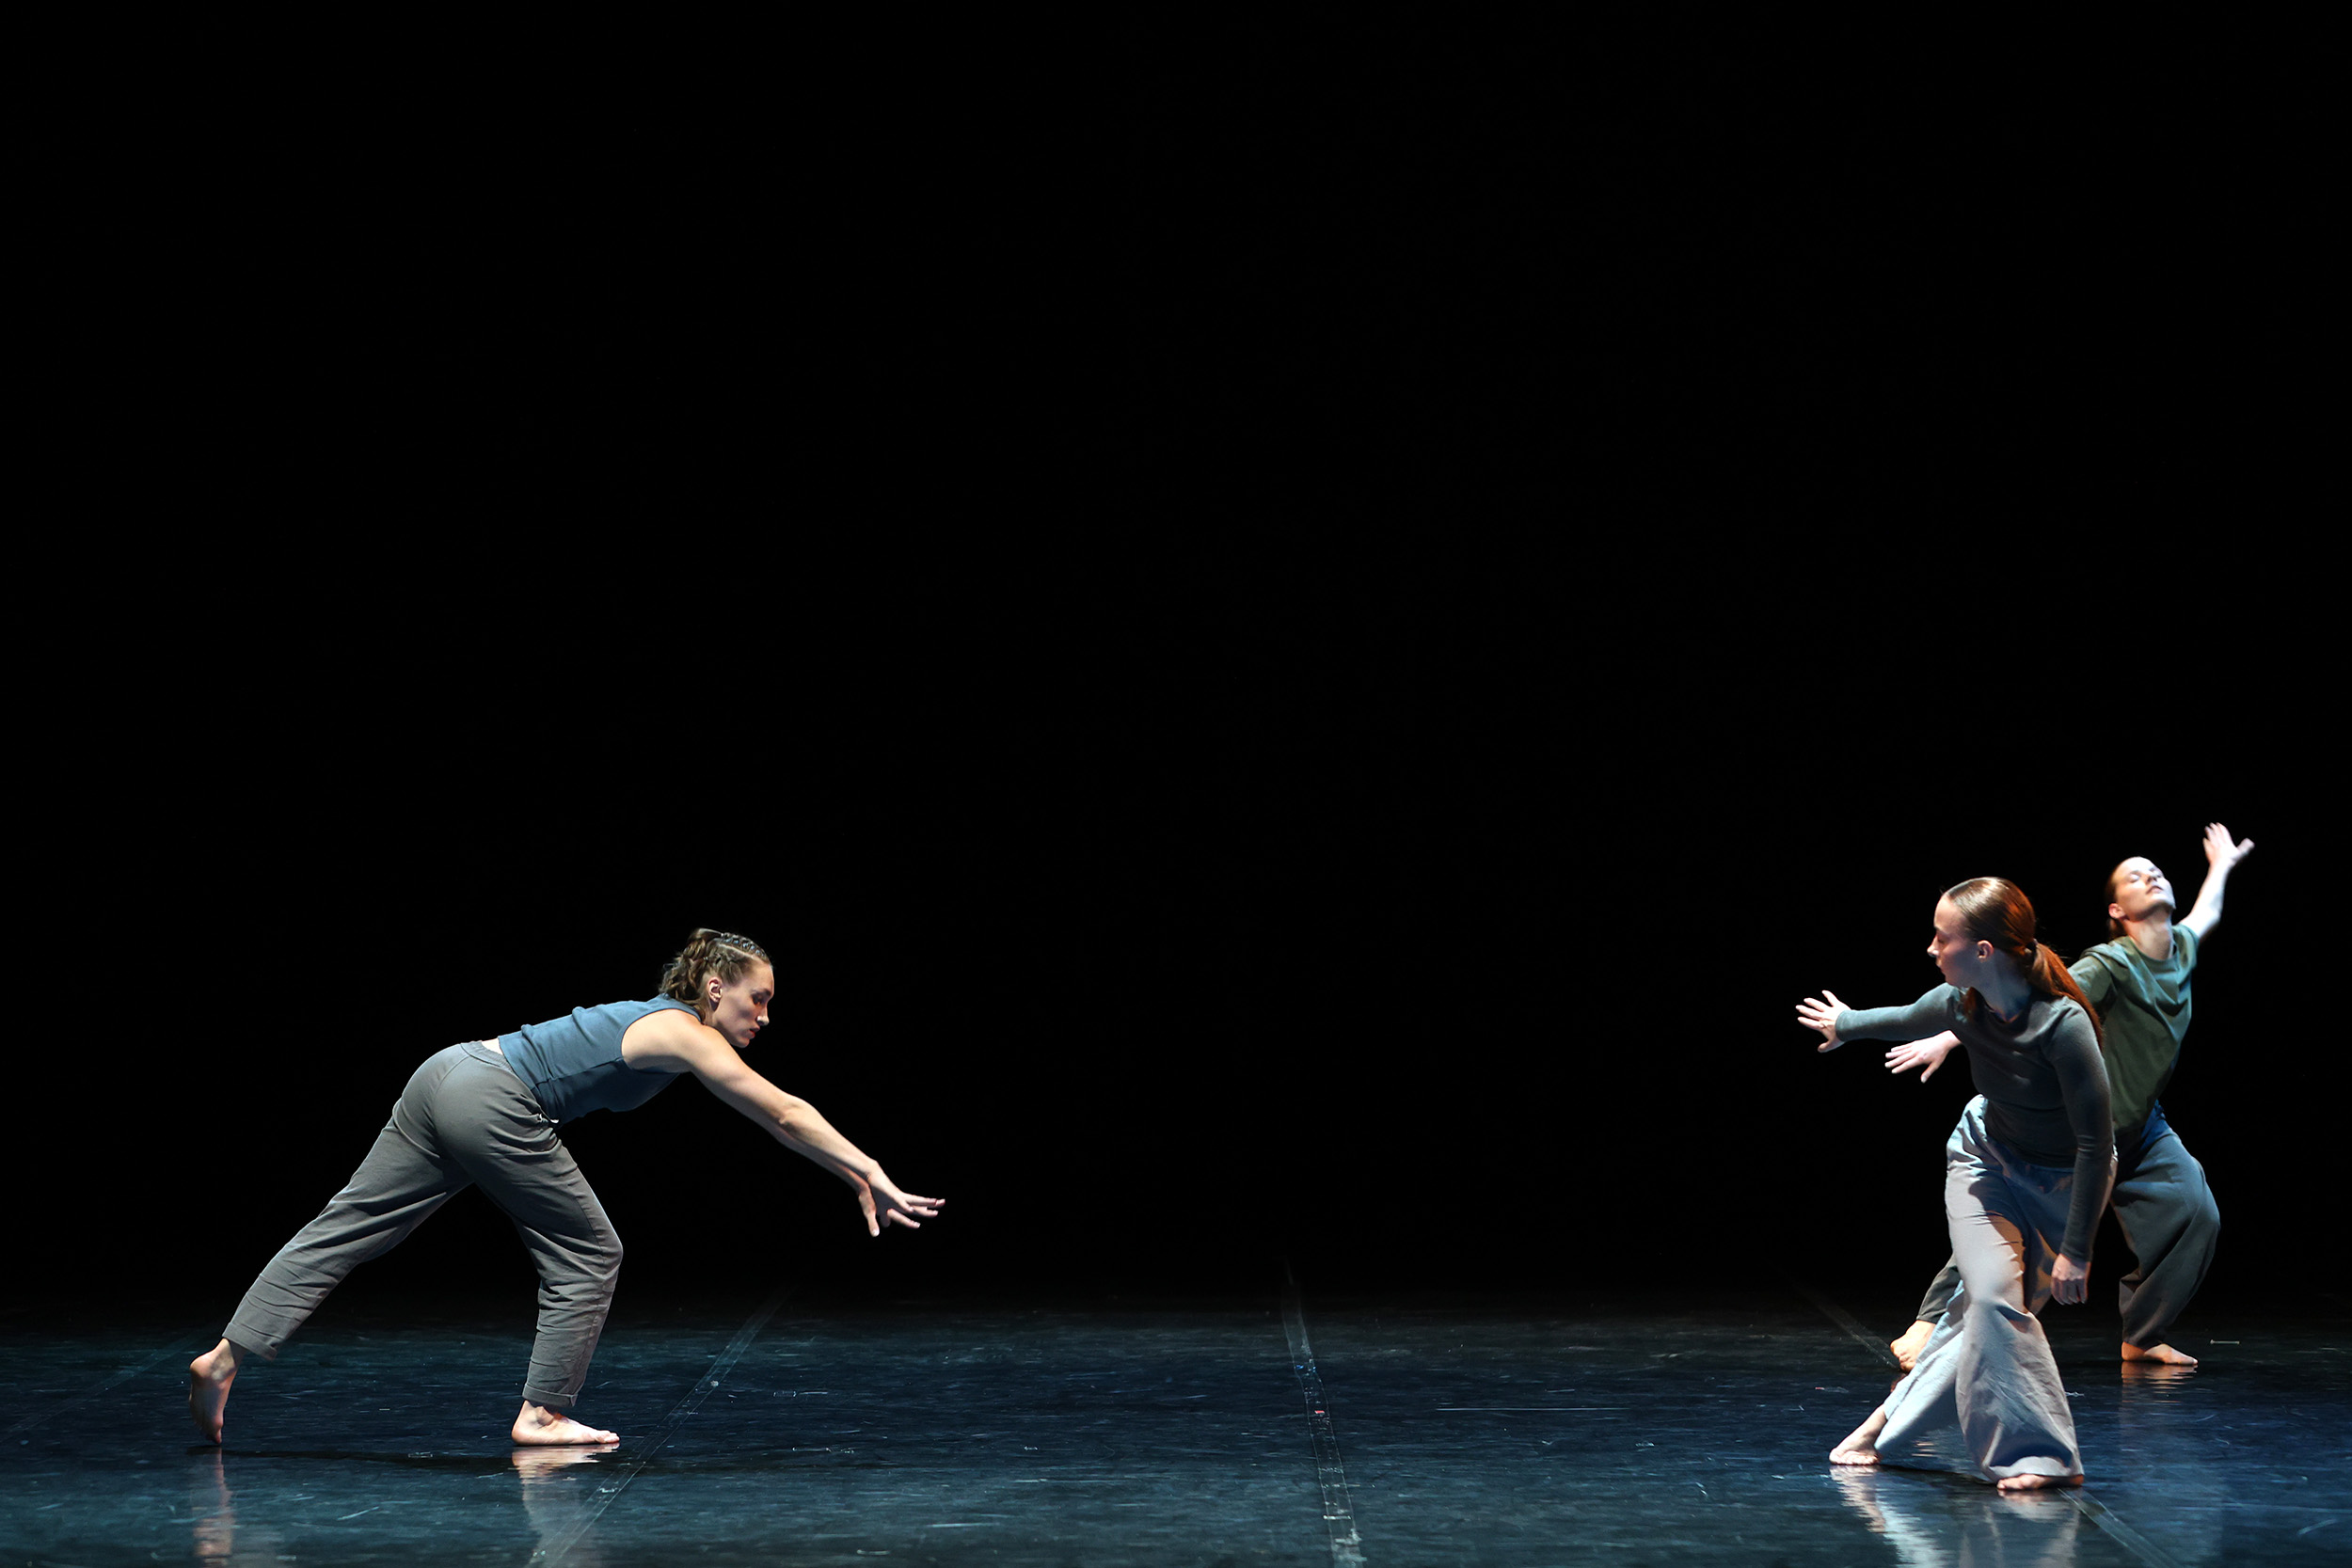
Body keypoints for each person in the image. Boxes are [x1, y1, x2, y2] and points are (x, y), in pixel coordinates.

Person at [186, 929, 943, 1448]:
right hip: (494, 1096)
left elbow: (779, 1124)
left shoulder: (662, 1023)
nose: (765, 1015)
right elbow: (781, 1111)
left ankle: (224, 1357)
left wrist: (851, 1174)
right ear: (716, 988)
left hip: (447, 1071)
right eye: (759, 998)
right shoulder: (686, 1030)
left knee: (345, 1226)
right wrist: (872, 1167)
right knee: (590, 1250)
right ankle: (542, 1413)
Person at [1880, 824, 2252, 1370]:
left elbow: (2208, 912)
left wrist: (2221, 865)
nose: (2151, 875)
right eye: (2134, 876)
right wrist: (1950, 1033)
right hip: (2077, 1131)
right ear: (2117, 910)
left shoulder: (2181, 949)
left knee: (2196, 1213)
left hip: (2142, 1127)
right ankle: (1932, 1321)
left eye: (2156, 870)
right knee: (2012, 1226)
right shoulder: (2108, 965)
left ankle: (2143, 1335)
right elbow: (2029, 998)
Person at [1796, 878, 2111, 1491]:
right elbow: (1901, 1018)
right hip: (1984, 1160)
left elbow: (2096, 1143)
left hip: (2063, 1181)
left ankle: (1880, 1428)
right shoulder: (1960, 1005)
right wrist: (1844, 1023)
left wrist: (2077, 1249)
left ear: (1984, 951)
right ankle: (2043, 1456)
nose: (1932, 947)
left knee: (1980, 1318)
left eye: (1943, 938)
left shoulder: (2062, 1025)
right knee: (1991, 1299)